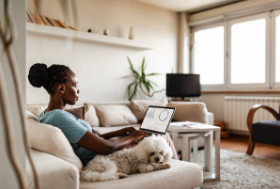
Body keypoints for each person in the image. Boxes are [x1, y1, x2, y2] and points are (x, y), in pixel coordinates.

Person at [28, 63, 178, 167]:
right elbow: (105, 148)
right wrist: (132, 137)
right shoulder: (59, 117)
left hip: (101, 152)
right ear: (61, 88)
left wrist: (118, 132)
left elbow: (89, 140)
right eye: (75, 85)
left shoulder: (45, 114)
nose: (78, 90)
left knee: (154, 137)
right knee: (162, 138)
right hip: (105, 157)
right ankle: (184, 177)